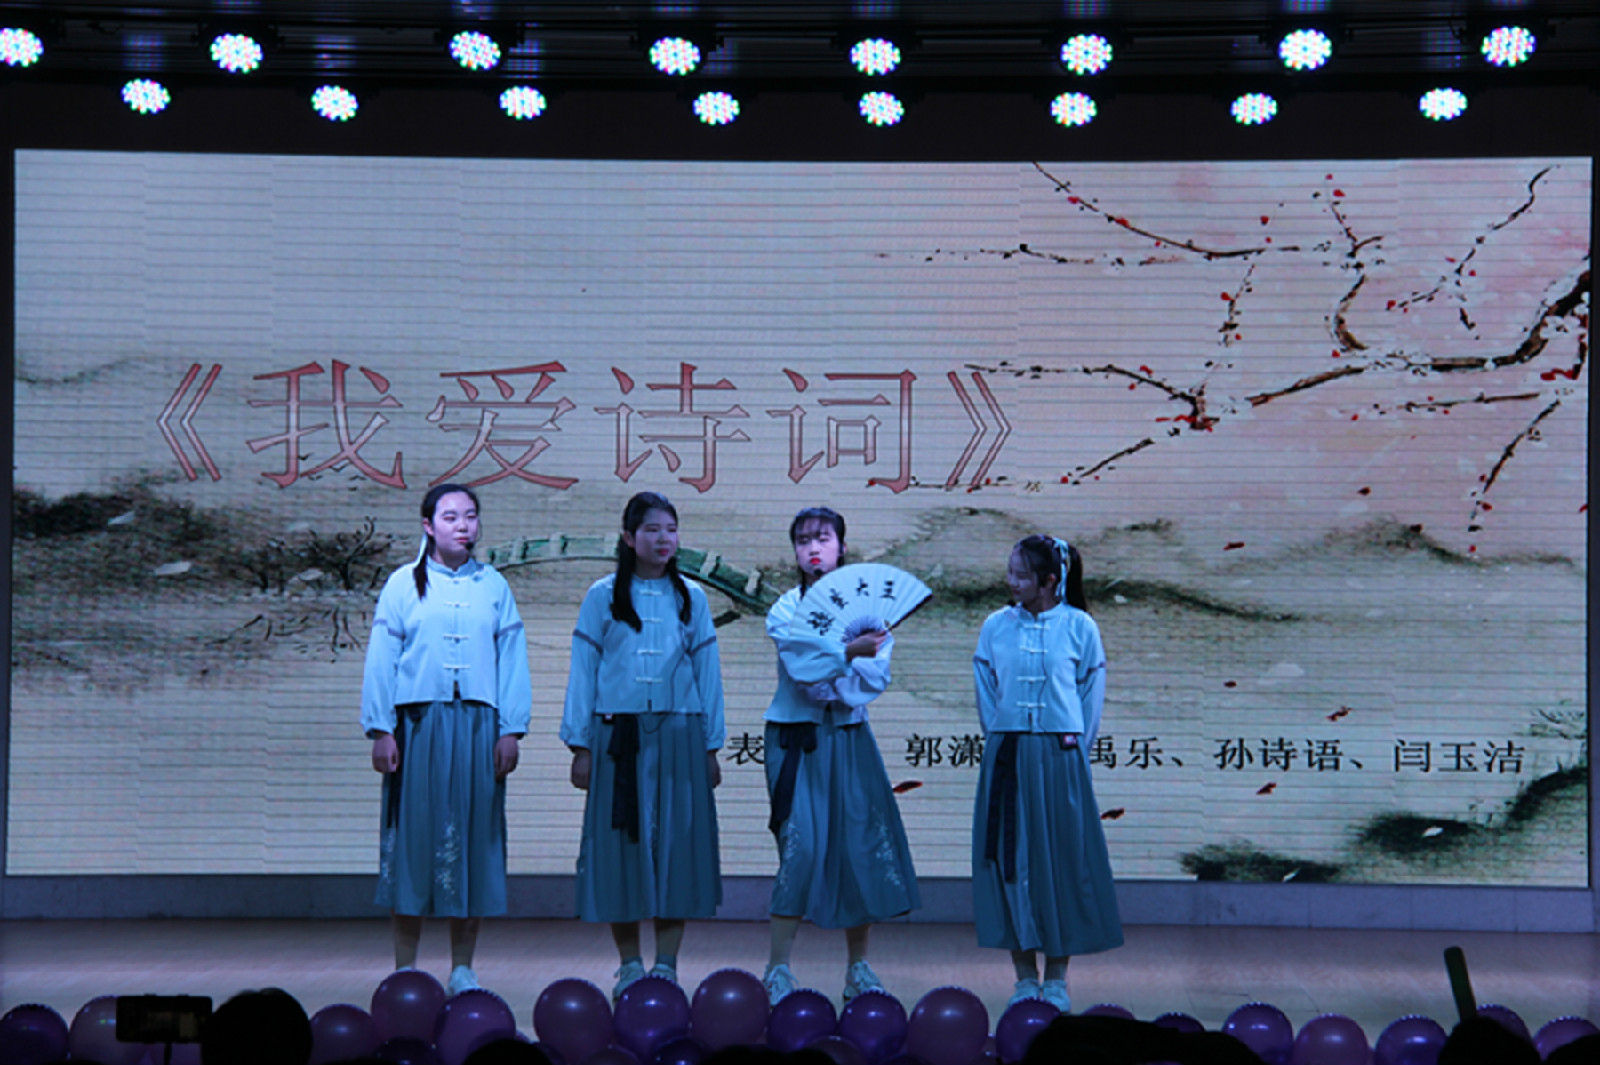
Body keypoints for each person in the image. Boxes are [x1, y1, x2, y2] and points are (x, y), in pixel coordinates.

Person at [362, 484, 530, 996]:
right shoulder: (401, 584)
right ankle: (405, 967)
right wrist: (381, 727)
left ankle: (462, 967)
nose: (463, 525)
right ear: (428, 526)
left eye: (471, 516)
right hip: (417, 726)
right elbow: (382, 659)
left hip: (479, 726)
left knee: (473, 842)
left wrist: (511, 728)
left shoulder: (493, 585)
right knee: (412, 842)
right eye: (451, 516)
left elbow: (512, 660)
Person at [561, 491, 725, 1000]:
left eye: (671, 529)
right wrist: (581, 745)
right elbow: (583, 673)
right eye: (652, 529)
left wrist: (711, 745)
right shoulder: (601, 596)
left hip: (680, 734)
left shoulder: (692, 597)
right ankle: (630, 964)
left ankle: (667, 966)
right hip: (618, 738)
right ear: (629, 538)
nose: (664, 539)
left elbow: (708, 675)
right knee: (622, 850)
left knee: (676, 848)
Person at [760, 507, 920, 1006]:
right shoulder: (785, 608)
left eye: (824, 538)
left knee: (860, 848)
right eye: (804, 540)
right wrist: (848, 652)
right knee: (800, 850)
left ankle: (858, 968)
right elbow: (802, 666)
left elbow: (873, 679)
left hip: (849, 736)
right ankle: (777, 968)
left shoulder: (870, 611)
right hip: (795, 738)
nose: (813, 548)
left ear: (842, 547)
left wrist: (844, 663)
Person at [972, 534, 1123, 1013]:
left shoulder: (1080, 627)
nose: (1011, 581)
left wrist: (1072, 744)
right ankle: (1023, 976)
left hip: (1061, 756)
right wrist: (1005, 733)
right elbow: (986, 688)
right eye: (1011, 572)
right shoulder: (995, 626)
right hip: (1009, 755)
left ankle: (1057, 976)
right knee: (1010, 862)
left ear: (1050, 581)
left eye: (1021, 574)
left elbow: (1090, 695)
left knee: (1062, 864)